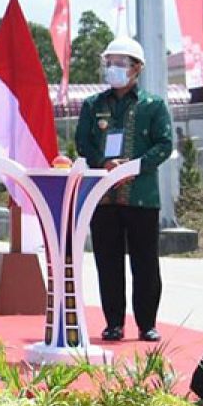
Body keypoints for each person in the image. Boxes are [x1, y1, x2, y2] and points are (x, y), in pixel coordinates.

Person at [75, 36, 172, 343]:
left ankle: (147, 324)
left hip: (141, 196)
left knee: (145, 262)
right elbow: (82, 142)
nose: (113, 68)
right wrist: (103, 162)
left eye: (121, 63)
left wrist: (135, 166)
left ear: (136, 69)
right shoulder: (93, 105)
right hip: (103, 197)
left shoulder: (153, 105)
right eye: (110, 63)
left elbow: (165, 144)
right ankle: (113, 323)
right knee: (108, 260)